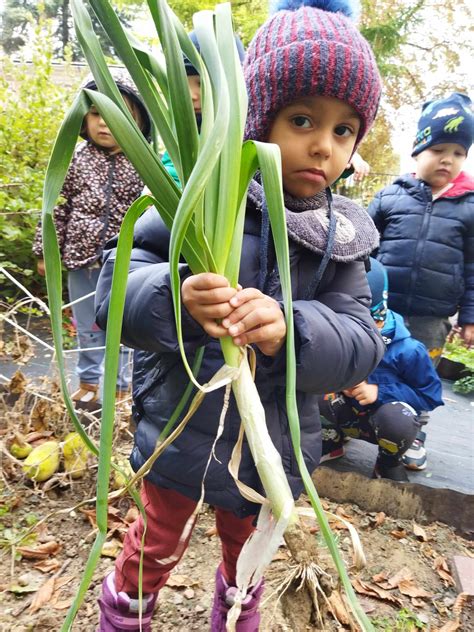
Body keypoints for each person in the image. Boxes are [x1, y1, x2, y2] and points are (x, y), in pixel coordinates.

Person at [94, 1, 384, 630]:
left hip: (270, 445)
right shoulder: (190, 200)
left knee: (246, 557)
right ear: (258, 117)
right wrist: (178, 299)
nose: (321, 145)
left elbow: (360, 340)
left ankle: (235, 616)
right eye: (302, 118)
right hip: (180, 426)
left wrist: (293, 329)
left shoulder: (340, 235)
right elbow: (116, 292)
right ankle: (125, 615)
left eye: (343, 131)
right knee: (155, 543)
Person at [367, 92, 474, 470]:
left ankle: (412, 434)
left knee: (421, 373)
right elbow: (361, 248)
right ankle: (347, 424)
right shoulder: (389, 196)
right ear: (418, 150)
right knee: (367, 364)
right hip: (381, 308)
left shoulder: (470, 206)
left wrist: (469, 317)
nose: (448, 159)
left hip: (432, 315)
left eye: (459, 152)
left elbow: (473, 267)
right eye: (439, 148)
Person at [32, 71, 151, 408]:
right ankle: (88, 383)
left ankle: (121, 388)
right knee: (88, 328)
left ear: (138, 119)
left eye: (118, 113)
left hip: (126, 262)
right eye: (97, 112)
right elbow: (54, 206)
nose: (105, 123)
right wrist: (45, 252)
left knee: (124, 326)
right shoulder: (73, 158)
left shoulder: (142, 163)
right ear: (83, 117)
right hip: (80, 260)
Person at [319, 258, 444, 482]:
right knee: (314, 388)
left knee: (397, 419)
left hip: (383, 419)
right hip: (347, 414)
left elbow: (430, 395)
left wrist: (379, 392)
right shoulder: (339, 337)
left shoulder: (408, 350)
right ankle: (330, 441)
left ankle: (388, 461)